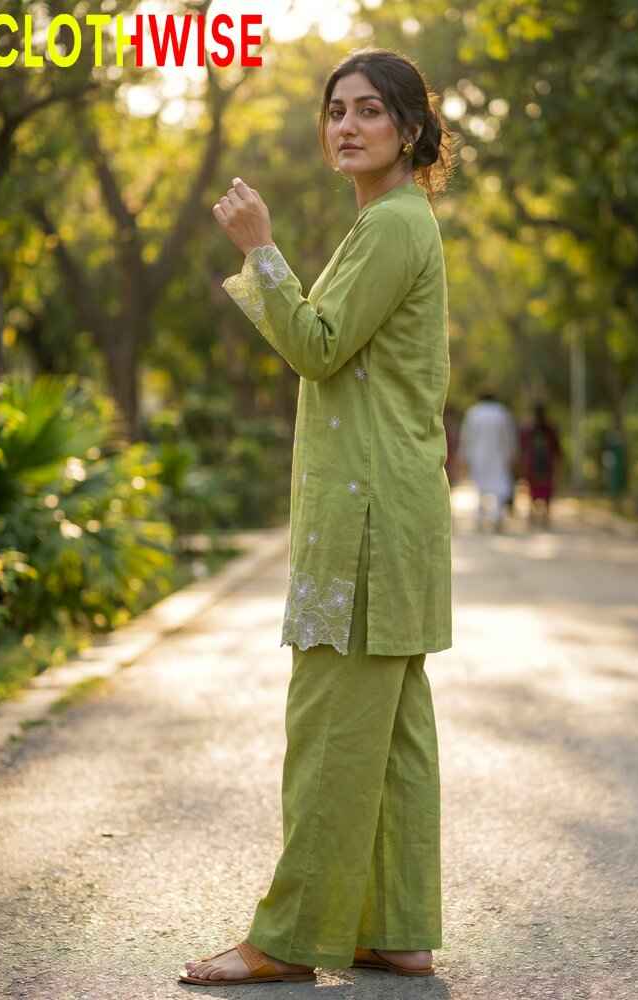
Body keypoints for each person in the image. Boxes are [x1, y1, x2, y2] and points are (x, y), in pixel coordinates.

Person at [180, 49, 456, 987]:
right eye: (335, 109)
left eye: (370, 110)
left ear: (410, 130)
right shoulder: (394, 222)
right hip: (395, 512)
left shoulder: (390, 225)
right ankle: (399, 927)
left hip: (368, 522)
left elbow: (319, 347)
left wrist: (260, 247)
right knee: (392, 736)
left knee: (332, 732)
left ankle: (290, 941)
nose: (346, 125)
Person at [460, 389, 518, 532]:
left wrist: (463, 455)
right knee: (499, 487)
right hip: (498, 455)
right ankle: (497, 517)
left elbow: (466, 437)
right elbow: (509, 437)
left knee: (480, 488)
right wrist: (511, 454)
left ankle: (480, 519)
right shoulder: (501, 413)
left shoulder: (473, 413)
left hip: (478, 456)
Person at [519, 403, 563, 527]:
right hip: (546, 465)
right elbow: (557, 449)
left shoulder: (529, 429)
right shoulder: (550, 429)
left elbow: (524, 448)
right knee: (546, 490)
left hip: (533, 464)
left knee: (533, 490)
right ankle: (545, 517)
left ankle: (533, 515)